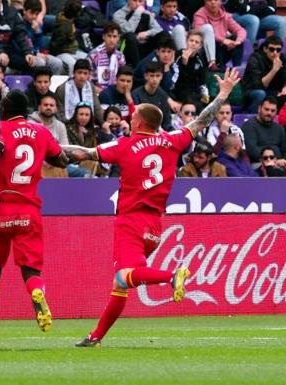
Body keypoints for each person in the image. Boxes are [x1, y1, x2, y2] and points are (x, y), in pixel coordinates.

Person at [66, 68, 240, 347]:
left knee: (124, 275)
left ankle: (172, 275)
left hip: (131, 221)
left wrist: (47, 146)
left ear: (140, 122)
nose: (129, 119)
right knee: (120, 284)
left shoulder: (126, 145)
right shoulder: (172, 141)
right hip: (154, 226)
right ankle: (95, 336)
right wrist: (222, 95)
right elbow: (200, 122)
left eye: (133, 117)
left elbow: (82, 153)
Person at [0, 89, 69, 349]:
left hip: (1, 207)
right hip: (28, 210)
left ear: (4, 107)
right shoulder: (40, 130)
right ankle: (36, 291)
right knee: (31, 270)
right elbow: (61, 159)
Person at [193, 0, 246, 68]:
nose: (213, 2)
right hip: (205, 53)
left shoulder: (225, 16)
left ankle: (236, 69)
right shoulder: (199, 14)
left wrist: (237, 41)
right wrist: (223, 40)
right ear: (205, 2)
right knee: (210, 32)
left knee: (236, 39)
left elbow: (241, 30)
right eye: (209, 0)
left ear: (221, 2)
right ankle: (216, 68)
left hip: (222, 51)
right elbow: (199, 32)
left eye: (216, 0)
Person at [112, 0, 164, 67]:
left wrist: (147, 33)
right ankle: (137, 68)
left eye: (140, 1)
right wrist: (138, 13)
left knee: (163, 35)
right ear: (128, 1)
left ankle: (160, 65)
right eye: (134, 0)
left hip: (143, 46)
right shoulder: (118, 15)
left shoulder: (146, 14)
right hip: (125, 49)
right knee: (130, 36)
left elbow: (159, 29)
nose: (137, 4)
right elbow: (128, 30)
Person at [241, 36, 286, 113]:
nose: (275, 53)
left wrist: (285, 87)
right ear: (265, 49)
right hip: (252, 92)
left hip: (271, 92)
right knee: (261, 94)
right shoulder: (255, 59)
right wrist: (274, 70)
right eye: (272, 49)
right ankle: (252, 118)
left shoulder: (281, 58)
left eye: (278, 50)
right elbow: (260, 85)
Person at [55, 59, 103, 124]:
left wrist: (104, 122)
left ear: (89, 75)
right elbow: (60, 112)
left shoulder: (91, 87)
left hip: (88, 125)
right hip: (68, 125)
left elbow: (97, 107)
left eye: (85, 73)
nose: (82, 76)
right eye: (79, 72)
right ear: (74, 73)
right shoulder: (62, 89)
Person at [242, 96, 286, 163]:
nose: (269, 113)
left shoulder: (279, 128)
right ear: (259, 108)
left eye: (272, 111)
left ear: (276, 112)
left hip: (279, 163)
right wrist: (275, 153)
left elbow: (284, 151)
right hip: (257, 164)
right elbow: (253, 152)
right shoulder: (249, 126)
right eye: (266, 109)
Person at [132, 61, 173, 131]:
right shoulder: (136, 94)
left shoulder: (163, 95)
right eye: (152, 75)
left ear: (162, 76)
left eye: (157, 76)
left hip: (160, 132)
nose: (154, 79)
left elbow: (167, 122)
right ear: (146, 76)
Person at [88, 22, 126, 92]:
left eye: (114, 36)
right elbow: (87, 80)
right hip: (96, 92)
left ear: (118, 37)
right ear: (103, 37)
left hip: (114, 92)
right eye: (109, 36)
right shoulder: (93, 55)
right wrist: (102, 92)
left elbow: (122, 78)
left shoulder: (120, 56)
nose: (111, 40)